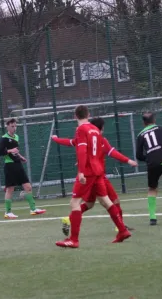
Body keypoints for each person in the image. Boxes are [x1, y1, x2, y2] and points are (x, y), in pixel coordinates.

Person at [55, 105, 130, 249]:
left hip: (88, 171)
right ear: (88, 115)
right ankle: (122, 230)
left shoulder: (81, 129)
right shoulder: (95, 130)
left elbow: (82, 150)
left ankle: (73, 240)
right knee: (105, 201)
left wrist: (81, 171)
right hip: (98, 171)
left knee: (74, 203)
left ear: (75, 116)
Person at [0, 118, 46, 219]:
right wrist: (10, 150)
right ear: (7, 126)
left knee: (28, 186)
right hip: (9, 166)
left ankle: (33, 209)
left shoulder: (16, 137)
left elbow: (15, 151)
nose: (14, 128)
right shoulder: (4, 138)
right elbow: (0, 152)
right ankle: (8, 212)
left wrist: (20, 156)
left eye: (15, 126)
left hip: (18, 165)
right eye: (12, 126)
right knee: (10, 189)